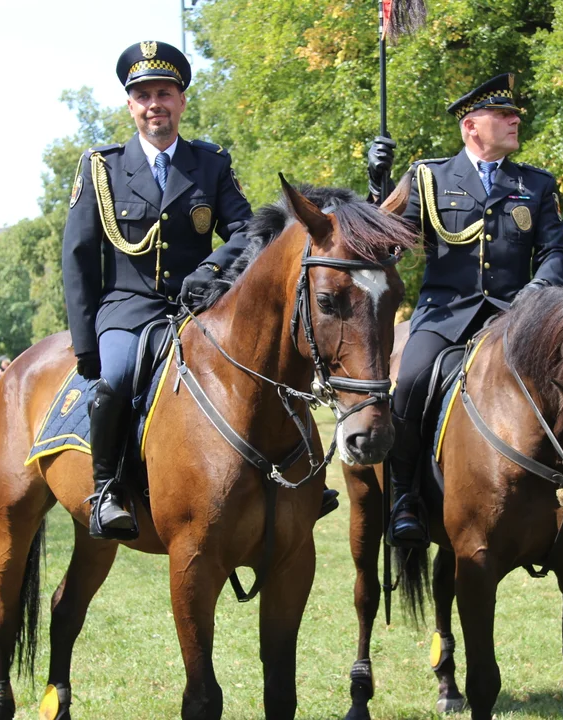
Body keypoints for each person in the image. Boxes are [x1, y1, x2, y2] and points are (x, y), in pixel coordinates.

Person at [63, 41, 336, 540]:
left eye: (164, 94)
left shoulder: (210, 163)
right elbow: (79, 258)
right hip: (128, 309)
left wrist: (211, 267)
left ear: (182, 101)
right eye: (143, 95)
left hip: (203, 305)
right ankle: (108, 489)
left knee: (267, 366)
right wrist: (85, 344)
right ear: (130, 106)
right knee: (119, 379)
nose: (154, 105)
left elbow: (248, 229)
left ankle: (303, 479)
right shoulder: (101, 168)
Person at [367, 74, 563, 547]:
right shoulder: (429, 178)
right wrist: (378, 186)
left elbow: (557, 252)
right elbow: (384, 245)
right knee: (411, 385)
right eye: (502, 115)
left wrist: (540, 287)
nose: (514, 119)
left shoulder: (535, 184)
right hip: (447, 316)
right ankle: (406, 498)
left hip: (518, 317)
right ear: (471, 127)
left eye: (514, 113)